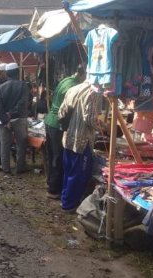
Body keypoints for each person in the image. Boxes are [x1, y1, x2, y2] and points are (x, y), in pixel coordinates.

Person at [59, 81, 108, 212]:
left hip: (68, 137)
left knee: (69, 171)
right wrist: (106, 127)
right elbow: (91, 119)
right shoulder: (94, 92)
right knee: (78, 174)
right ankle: (70, 204)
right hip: (82, 140)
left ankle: (65, 199)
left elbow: (61, 111)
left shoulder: (73, 88)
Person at [44, 65, 86, 200]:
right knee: (58, 157)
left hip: (50, 121)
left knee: (52, 156)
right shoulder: (73, 86)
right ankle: (53, 189)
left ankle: (50, 183)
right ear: (83, 75)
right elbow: (67, 110)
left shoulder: (65, 80)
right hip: (58, 123)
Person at [0, 63, 29, 175]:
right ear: (17, 72)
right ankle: (20, 168)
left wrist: (5, 119)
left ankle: (6, 168)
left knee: (4, 144)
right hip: (19, 119)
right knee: (21, 144)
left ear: (7, 73)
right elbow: (23, 102)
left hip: (4, 121)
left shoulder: (0, 88)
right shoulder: (23, 85)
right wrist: (11, 113)